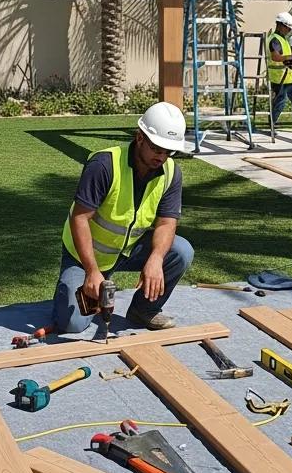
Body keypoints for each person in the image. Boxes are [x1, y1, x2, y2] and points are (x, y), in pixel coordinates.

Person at [53, 102, 193, 335]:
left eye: (169, 151)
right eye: (157, 148)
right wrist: (91, 271)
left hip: (127, 251)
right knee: (72, 325)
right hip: (84, 256)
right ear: (140, 138)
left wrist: (156, 258)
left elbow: (167, 223)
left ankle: (143, 310)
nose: (162, 156)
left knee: (181, 251)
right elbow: (79, 219)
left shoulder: (171, 172)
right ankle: (77, 287)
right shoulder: (104, 165)